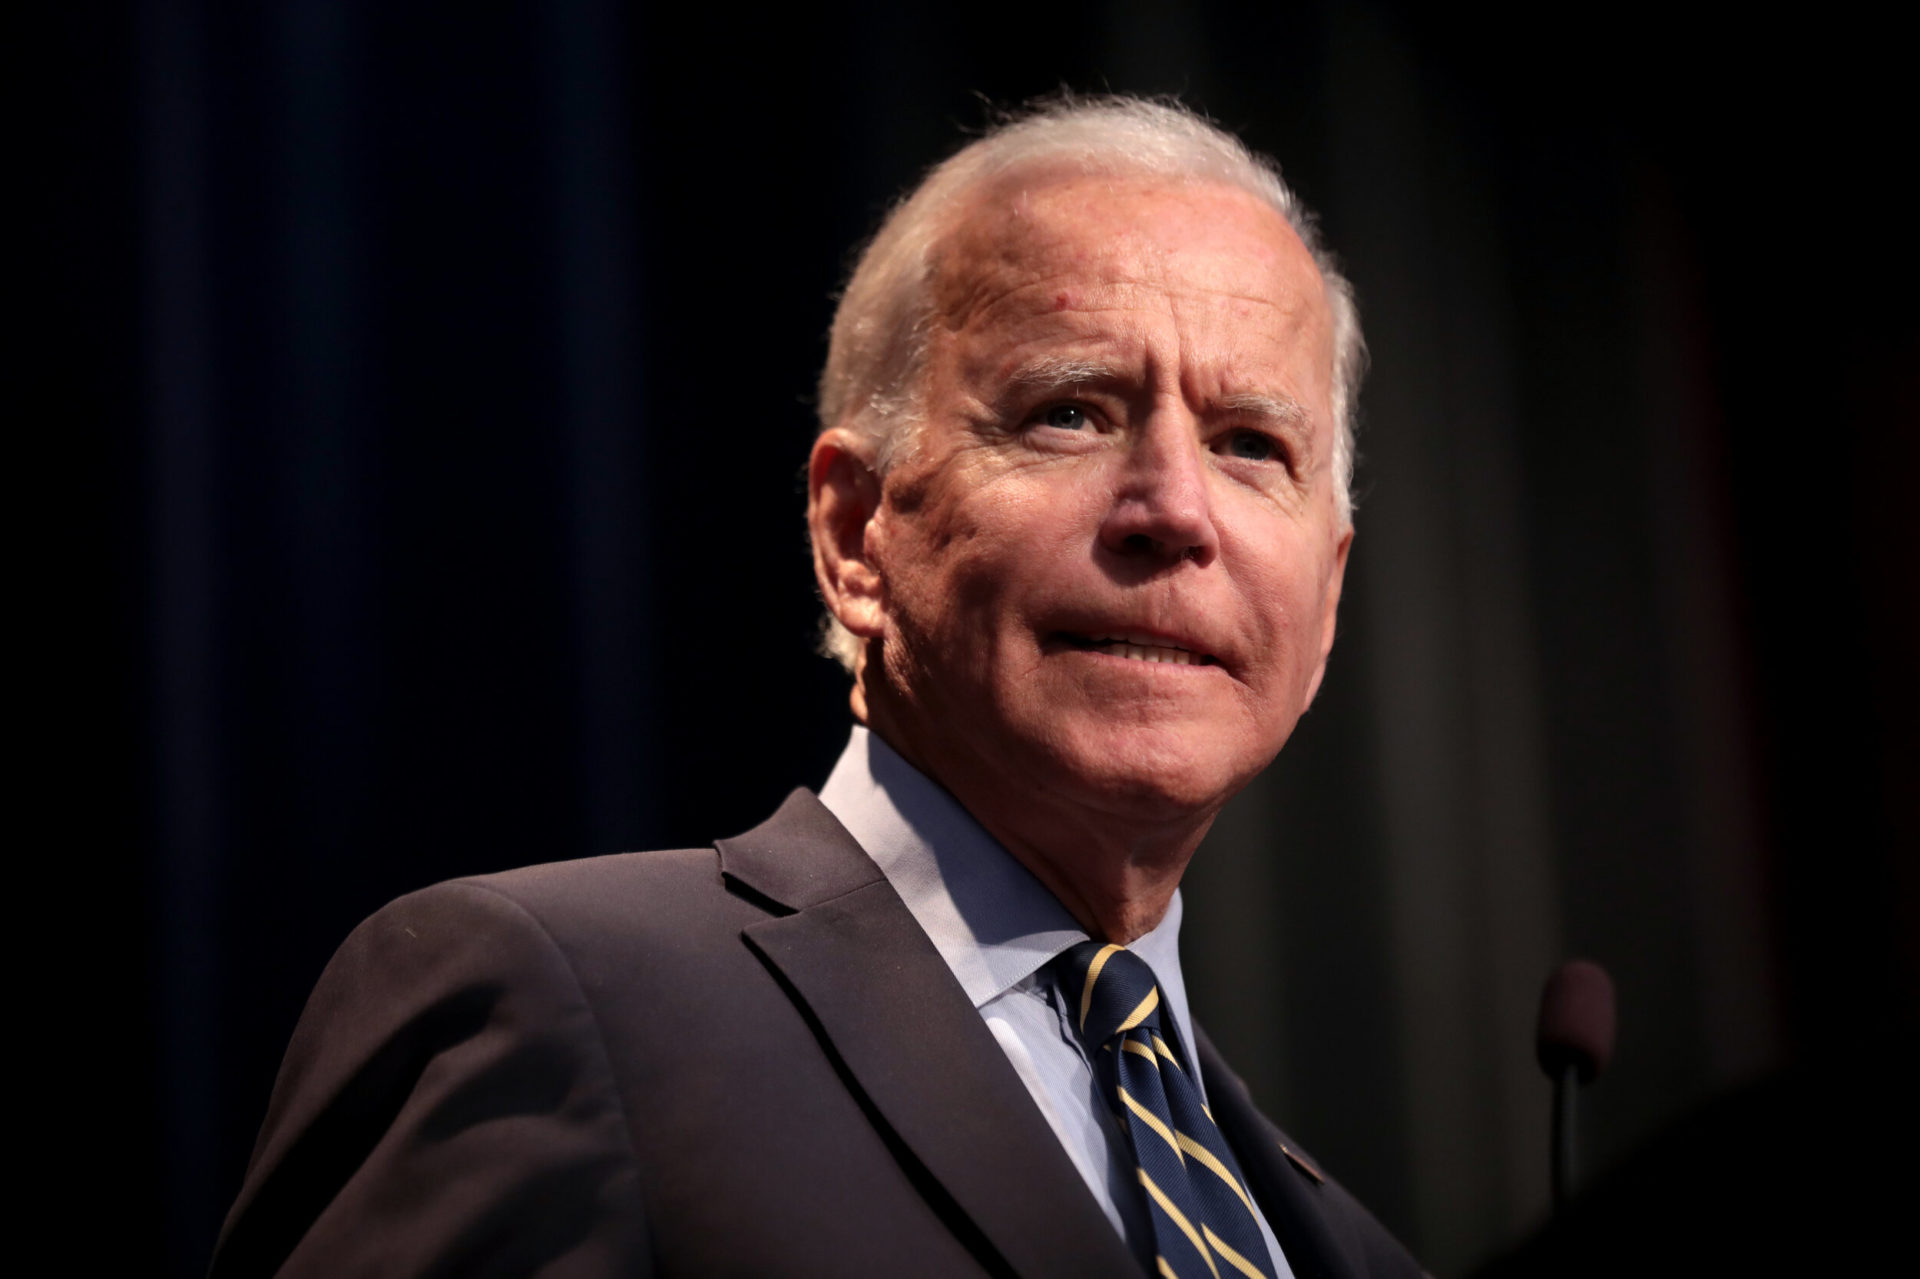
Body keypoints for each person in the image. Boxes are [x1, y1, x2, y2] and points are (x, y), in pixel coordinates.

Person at [211, 96, 1422, 1279]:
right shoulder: (560, 1003)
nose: (1173, 511)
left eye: (1251, 446)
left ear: (1324, 600)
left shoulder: (1342, 1245)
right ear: (856, 535)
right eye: (1069, 413)